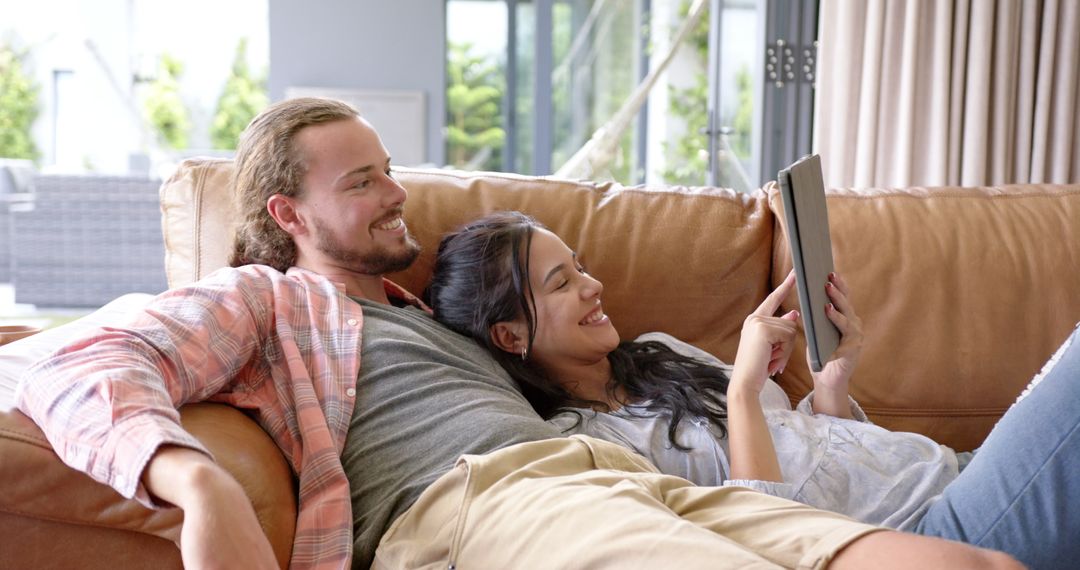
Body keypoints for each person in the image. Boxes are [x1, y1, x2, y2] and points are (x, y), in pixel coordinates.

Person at [15, 98, 1019, 570]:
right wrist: (190, 481)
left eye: (388, 169)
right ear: (287, 217)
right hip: (478, 504)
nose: (395, 192)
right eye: (360, 181)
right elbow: (71, 360)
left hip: (613, 478)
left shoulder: (419, 314)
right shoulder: (268, 304)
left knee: (965, 567)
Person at [426, 209, 1080, 570]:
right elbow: (770, 530)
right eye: (562, 284)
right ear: (511, 336)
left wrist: (831, 385)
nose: (593, 287)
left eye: (583, 268)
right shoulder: (595, 451)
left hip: (953, 472)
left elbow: (820, 457)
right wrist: (741, 391)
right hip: (936, 531)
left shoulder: (661, 354)